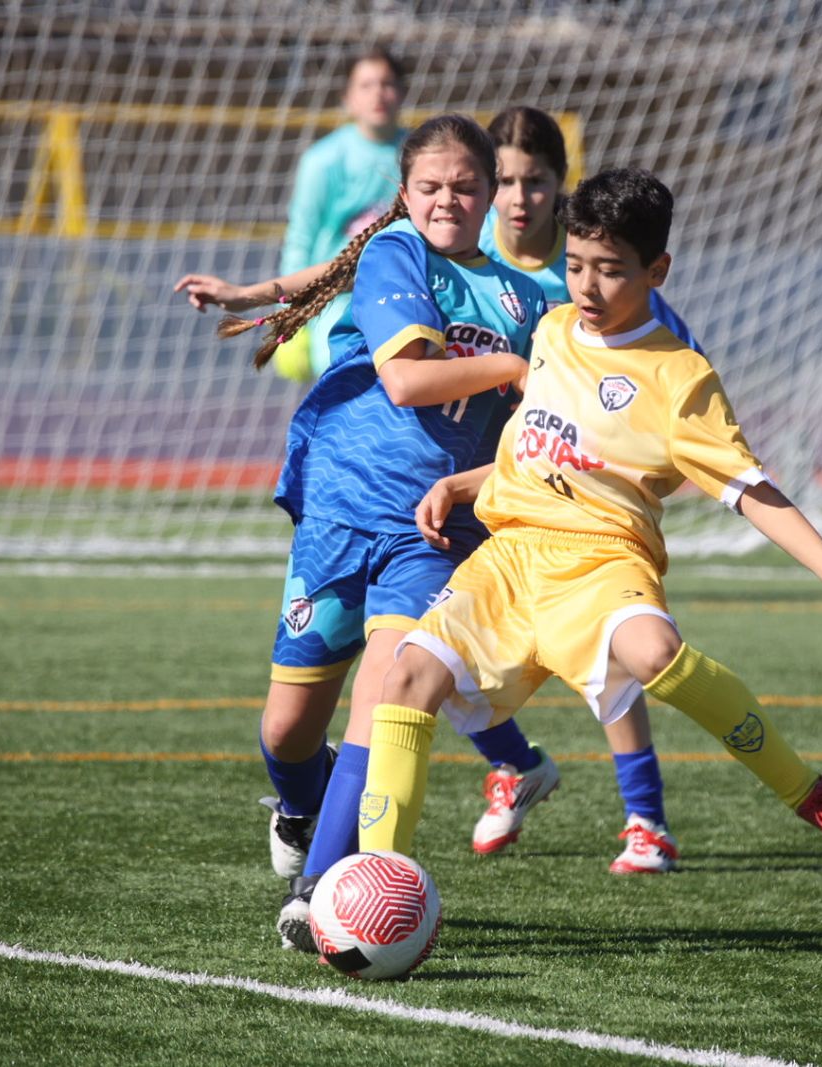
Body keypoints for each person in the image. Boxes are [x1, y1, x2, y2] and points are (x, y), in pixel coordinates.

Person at [357, 167, 822, 877]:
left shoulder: (681, 378)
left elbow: (749, 488)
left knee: (651, 651)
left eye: (610, 270)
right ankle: (373, 877)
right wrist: (459, 483)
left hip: (605, 558)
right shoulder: (550, 331)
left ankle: (809, 792)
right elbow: (546, 455)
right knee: (406, 677)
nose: (587, 286)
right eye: (576, 265)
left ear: (657, 269)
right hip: (512, 556)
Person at [208, 113, 549, 952]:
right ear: (406, 192)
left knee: (386, 691)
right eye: (431, 186)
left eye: (467, 186)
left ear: (493, 193)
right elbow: (403, 379)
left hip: (433, 528)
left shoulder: (529, 299)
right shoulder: (396, 252)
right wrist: (513, 366)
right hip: (341, 512)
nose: (448, 200)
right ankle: (300, 799)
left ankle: (322, 888)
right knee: (288, 729)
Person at [456, 106, 706, 874]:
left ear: (562, 187)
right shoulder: (461, 257)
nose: (519, 196)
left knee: (612, 656)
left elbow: (671, 390)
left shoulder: (606, 280)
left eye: (535, 180)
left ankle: (645, 817)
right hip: (481, 475)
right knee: (434, 647)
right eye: (503, 179)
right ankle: (516, 764)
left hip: (577, 499)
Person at [176, 47, 407, 382]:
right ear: (347, 98)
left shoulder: (419, 156)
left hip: (402, 298)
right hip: (335, 303)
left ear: (401, 92)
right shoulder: (323, 161)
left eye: (386, 83)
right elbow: (301, 239)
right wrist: (289, 314)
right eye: (366, 85)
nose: (378, 94)